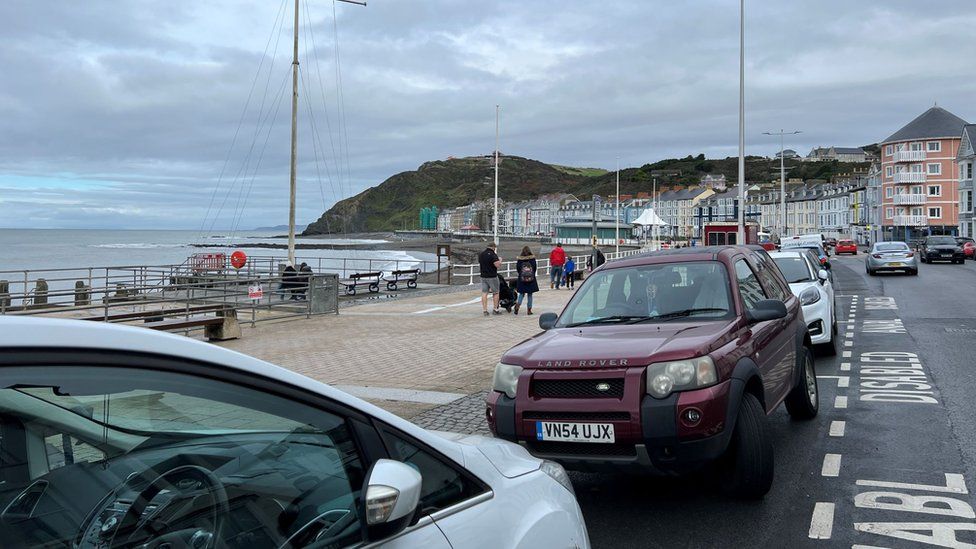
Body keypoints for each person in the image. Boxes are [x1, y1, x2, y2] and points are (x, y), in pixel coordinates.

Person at [479, 243, 503, 316]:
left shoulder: (481, 254)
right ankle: (495, 309)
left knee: (484, 293)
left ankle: (485, 310)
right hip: (492, 276)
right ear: (494, 247)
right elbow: (497, 265)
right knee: (496, 292)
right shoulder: (493, 255)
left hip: (483, 276)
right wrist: (500, 260)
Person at [515, 246, 539, 315]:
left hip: (522, 279)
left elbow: (518, 269)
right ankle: (529, 310)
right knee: (530, 295)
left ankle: (517, 306)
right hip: (531, 280)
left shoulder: (520, 259)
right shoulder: (532, 259)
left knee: (521, 294)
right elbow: (534, 268)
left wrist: (522, 275)